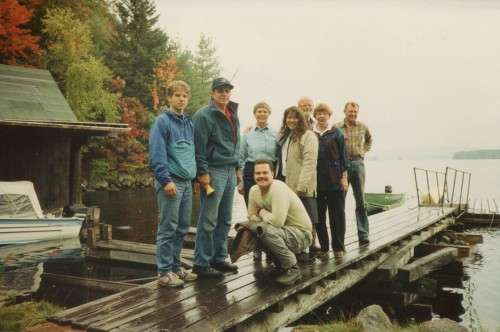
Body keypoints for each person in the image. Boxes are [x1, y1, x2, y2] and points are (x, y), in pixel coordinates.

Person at [149, 80, 198, 287]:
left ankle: (177, 266)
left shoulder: (189, 123)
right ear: (170, 98)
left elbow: (191, 154)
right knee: (168, 227)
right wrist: (165, 180)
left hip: (186, 183)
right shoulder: (162, 122)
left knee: (182, 228)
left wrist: (194, 180)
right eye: (177, 95)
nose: (181, 99)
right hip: (170, 182)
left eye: (184, 96)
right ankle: (164, 272)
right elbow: (157, 154)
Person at [192, 77, 242, 277]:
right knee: (208, 219)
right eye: (220, 90)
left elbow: (236, 142)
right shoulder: (203, 116)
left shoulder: (232, 112)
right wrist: (202, 173)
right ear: (212, 93)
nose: (224, 93)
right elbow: (199, 147)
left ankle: (218, 259)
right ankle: (201, 263)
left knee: (225, 219)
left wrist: (238, 167)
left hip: (230, 170)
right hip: (214, 171)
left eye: (227, 90)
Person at [247, 159, 313, 285]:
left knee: (264, 229)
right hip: (283, 232)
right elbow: (251, 216)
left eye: (265, 173)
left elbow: (277, 222)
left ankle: (292, 268)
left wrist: (261, 212)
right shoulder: (253, 191)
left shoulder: (278, 188)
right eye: (258, 173)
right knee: (252, 228)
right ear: (254, 175)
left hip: (302, 234)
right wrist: (259, 216)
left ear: (273, 173)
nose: (261, 176)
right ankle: (280, 266)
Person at [277, 106, 319, 255]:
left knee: (308, 218)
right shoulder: (286, 136)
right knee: (293, 218)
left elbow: (310, 162)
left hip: (302, 186)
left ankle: (311, 248)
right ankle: (297, 249)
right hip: (286, 183)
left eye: (295, 117)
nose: (291, 120)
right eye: (288, 117)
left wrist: (302, 185)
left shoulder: (308, 136)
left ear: (300, 119)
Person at [313, 103, 349, 259]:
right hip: (316, 182)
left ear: (329, 115)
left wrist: (344, 178)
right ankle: (324, 248)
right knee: (319, 217)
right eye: (318, 113)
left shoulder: (337, 133)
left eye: (324, 113)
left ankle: (339, 247)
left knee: (337, 216)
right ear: (315, 116)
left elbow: (344, 158)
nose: (321, 116)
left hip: (335, 181)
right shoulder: (310, 133)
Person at [335, 102, 372, 245]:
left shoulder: (363, 126)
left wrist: (364, 150)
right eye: (350, 111)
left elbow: (369, 140)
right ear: (344, 111)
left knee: (360, 200)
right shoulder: (337, 127)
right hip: (342, 166)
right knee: (339, 201)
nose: (353, 114)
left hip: (358, 164)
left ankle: (363, 234)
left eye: (355, 111)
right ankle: (340, 236)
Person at [238, 102, 278, 205]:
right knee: (252, 204)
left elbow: (279, 156)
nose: (262, 114)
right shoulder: (247, 134)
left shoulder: (276, 134)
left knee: (270, 204)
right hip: (251, 171)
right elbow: (241, 158)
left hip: (270, 170)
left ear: (269, 114)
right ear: (254, 114)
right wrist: (241, 180)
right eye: (259, 111)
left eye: (265, 111)